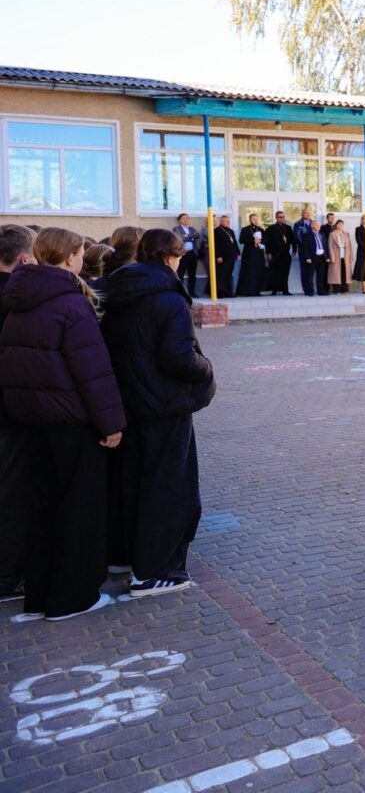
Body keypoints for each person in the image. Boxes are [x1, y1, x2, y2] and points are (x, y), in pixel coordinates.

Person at [0, 227, 126, 621]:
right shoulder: (71, 304)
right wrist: (111, 423)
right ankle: (72, 597)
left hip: (31, 420)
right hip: (71, 422)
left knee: (42, 508)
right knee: (80, 508)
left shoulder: (19, 299)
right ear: (70, 257)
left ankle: (40, 594)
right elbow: (93, 371)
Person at [101, 229, 215, 598]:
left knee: (132, 482)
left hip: (130, 401)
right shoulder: (167, 299)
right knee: (168, 488)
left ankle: (125, 556)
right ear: (171, 257)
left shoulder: (116, 291)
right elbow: (179, 357)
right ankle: (155, 571)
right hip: (164, 405)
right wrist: (206, 369)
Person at [0, 224, 36, 604]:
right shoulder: (16, 301)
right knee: (13, 493)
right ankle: (9, 577)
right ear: (25, 258)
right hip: (11, 415)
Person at [263, 211, 295, 296]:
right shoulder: (271, 228)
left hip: (286, 254)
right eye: (280, 217)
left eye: (283, 217)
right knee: (275, 273)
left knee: (285, 273)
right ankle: (274, 290)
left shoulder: (288, 228)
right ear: (276, 218)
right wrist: (269, 253)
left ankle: (285, 290)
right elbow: (267, 242)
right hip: (275, 254)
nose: (282, 218)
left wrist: (294, 250)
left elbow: (293, 240)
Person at [236, 213, 267, 297]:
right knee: (249, 272)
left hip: (259, 254)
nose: (255, 220)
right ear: (250, 220)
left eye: (256, 219)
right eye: (253, 219)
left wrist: (260, 241)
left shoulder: (261, 229)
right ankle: (248, 291)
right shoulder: (245, 229)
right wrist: (252, 241)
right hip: (249, 254)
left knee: (258, 272)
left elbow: (266, 240)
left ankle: (257, 291)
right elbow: (241, 240)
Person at [171, 213, 203, 295]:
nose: (186, 220)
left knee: (192, 274)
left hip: (193, 253)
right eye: (183, 218)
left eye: (187, 218)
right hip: (183, 254)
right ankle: (181, 292)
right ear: (179, 220)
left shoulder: (192, 228)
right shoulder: (176, 228)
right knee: (181, 273)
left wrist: (187, 235)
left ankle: (192, 292)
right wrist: (190, 236)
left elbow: (197, 235)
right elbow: (179, 237)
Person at [293, 209, 321, 296]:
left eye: (309, 213)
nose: (307, 214)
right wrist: (305, 244)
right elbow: (297, 237)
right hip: (304, 251)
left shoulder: (314, 222)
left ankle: (316, 289)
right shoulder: (298, 224)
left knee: (313, 272)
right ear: (302, 214)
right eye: (305, 213)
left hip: (314, 252)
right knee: (305, 271)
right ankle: (307, 290)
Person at [211, 215, 238, 298]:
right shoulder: (217, 231)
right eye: (226, 221)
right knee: (221, 275)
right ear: (221, 221)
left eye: (229, 221)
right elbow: (215, 244)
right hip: (222, 257)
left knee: (229, 275)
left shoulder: (231, 231)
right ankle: (220, 292)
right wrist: (218, 256)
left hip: (231, 256)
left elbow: (235, 242)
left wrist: (238, 253)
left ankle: (228, 292)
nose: (228, 222)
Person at [327, 217, 353, 295]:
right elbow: (330, 246)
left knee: (345, 273)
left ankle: (344, 290)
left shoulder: (346, 234)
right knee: (336, 274)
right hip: (336, 256)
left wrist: (351, 256)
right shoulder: (332, 234)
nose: (341, 225)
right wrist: (332, 257)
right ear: (336, 225)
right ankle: (336, 290)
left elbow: (350, 246)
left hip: (345, 256)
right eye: (339, 224)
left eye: (342, 224)